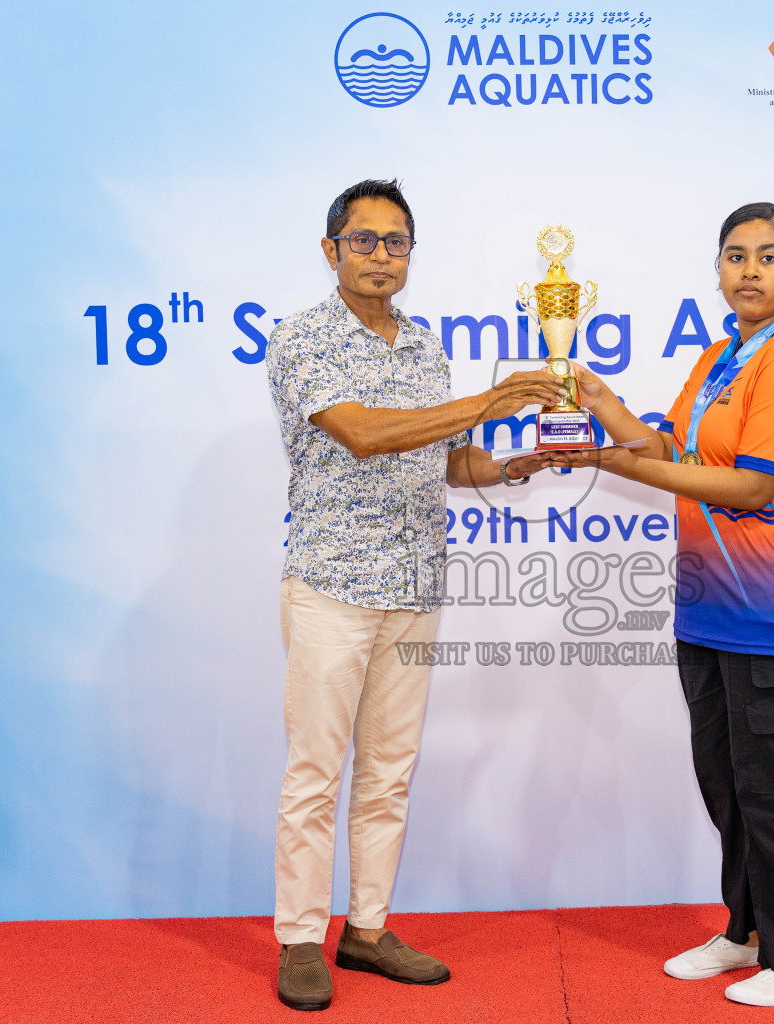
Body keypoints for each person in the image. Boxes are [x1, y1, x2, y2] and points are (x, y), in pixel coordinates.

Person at [264, 178, 561, 1012]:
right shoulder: (300, 340)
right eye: (365, 240)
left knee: (389, 772)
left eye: (397, 242)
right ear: (331, 251)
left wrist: (507, 465)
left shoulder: (426, 349)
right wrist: (490, 401)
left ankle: (366, 929)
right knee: (316, 772)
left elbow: (445, 460)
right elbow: (362, 434)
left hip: (416, 585)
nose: (382, 256)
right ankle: (298, 939)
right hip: (331, 584)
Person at [551, 202, 774, 1008]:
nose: (750, 269)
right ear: (716, 271)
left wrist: (613, 460)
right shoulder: (724, 354)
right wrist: (595, 398)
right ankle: (750, 931)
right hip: (711, 605)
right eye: (735, 255)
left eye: (769, 255)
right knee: (729, 778)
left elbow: (753, 485)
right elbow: (669, 448)